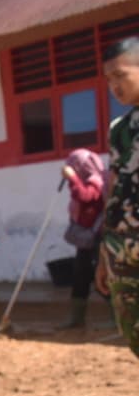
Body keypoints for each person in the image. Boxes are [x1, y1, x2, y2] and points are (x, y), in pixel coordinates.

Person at [97, 37, 139, 357]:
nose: (114, 86)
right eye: (109, 79)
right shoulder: (119, 129)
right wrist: (104, 253)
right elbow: (114, 186)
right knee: (133, 334)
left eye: (120, 76)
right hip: (121, 252)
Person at [59, 148, 108, 329]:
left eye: (74, 164)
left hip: (100, 236)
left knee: (103, 276)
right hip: (85, 238)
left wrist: (72, 178)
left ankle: (117, 318)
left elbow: (85, 196)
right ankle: (77, 319)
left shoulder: (97, 181)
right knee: (80, 276)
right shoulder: (85, 180)